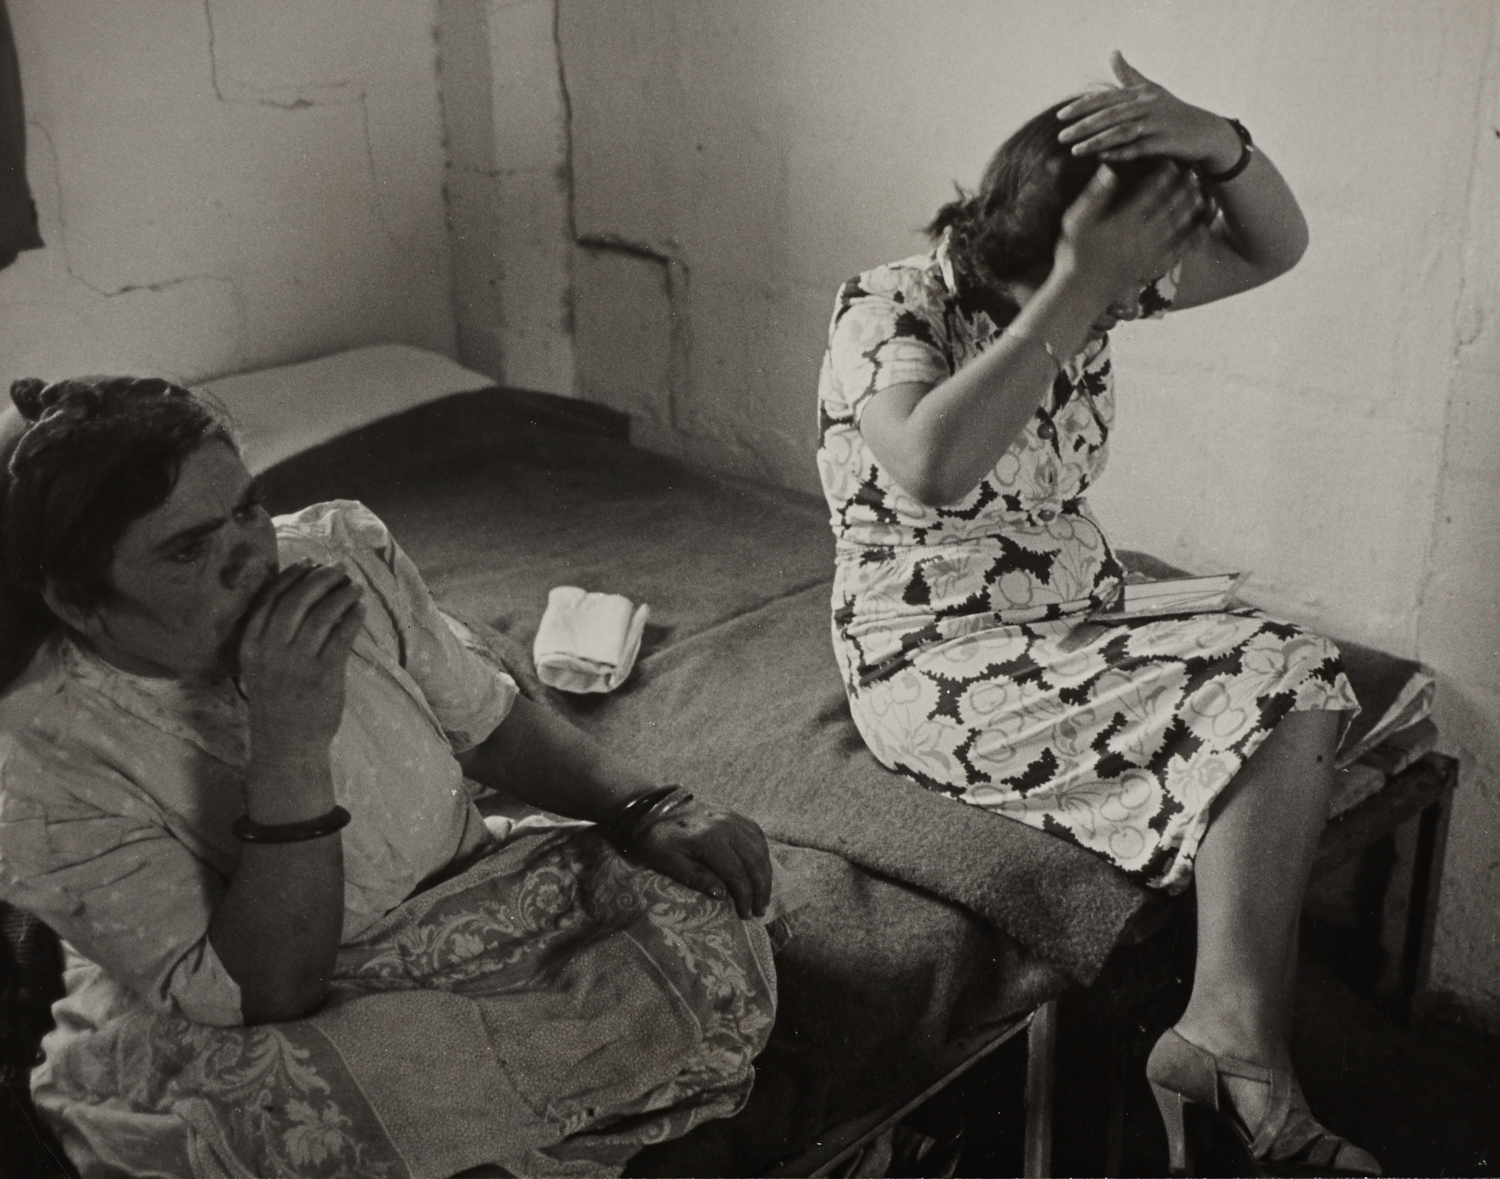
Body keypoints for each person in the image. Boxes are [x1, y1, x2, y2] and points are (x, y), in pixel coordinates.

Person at [816, 52, 1377, 1176]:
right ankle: (1240, 1060)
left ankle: (1223, 1032)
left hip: (1072, 622)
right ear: (1051, 253)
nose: (1141, 302)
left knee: (1299, 672)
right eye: (1127, 281)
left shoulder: (1087, 297)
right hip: (938, 660)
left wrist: (1219, 138)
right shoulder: (888, 306)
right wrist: (1085, 287)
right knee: (1278, 681)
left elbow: (1278, 244)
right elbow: (931, 464)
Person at [0, 374, 777, 1178]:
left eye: (246, 507)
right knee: (290, 1118)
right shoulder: (45, 762)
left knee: (711, 900)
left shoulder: (340, 559)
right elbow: (271, 987)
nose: (252, 558)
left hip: (476, 899)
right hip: (278, 999)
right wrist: (291, 735)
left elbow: (491, 726)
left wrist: (646, 808)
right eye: (189, 548)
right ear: (80, 603)